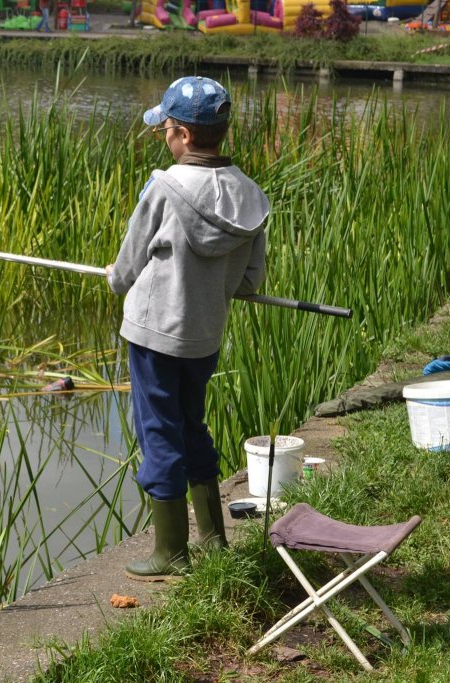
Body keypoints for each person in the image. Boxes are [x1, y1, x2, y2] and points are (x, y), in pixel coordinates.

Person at [105, 76, 269, 582]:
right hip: (204, 336)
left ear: (178, 133)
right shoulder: (250, 195)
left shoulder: (165, 187)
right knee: (192, 425)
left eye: (165, 131)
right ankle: (215, 541)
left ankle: (171, 553)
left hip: (154, 334)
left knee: (158, 431)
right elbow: (251, 279)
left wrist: (114, 280)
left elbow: (128, 264)